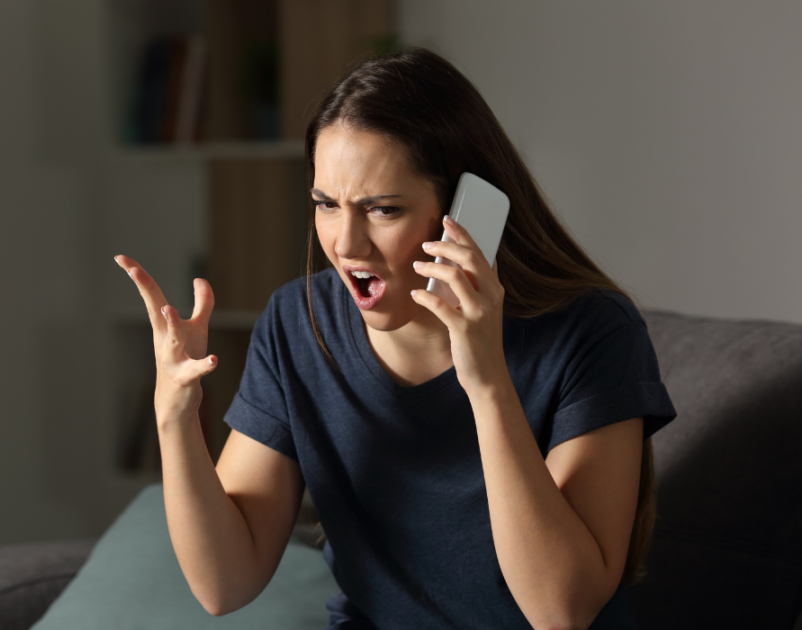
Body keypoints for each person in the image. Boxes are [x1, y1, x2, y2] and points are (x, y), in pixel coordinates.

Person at [114, 47, 676, 630]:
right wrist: (173, 418)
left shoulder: (593, 333)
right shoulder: (297, 324)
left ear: (465, 210)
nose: (346, 244)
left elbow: (561, 610)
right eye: (326, 204)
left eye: (382, 210)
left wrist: (486, 385)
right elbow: (223, 586)